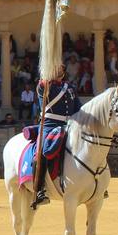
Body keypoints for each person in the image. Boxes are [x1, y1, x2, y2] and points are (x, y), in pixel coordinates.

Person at [30, 64, 80, 209]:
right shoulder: (45, 86)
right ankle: (40, 191)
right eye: (56, 69)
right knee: (41, 153)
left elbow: (78, 109)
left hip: (70, 126)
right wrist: (44, 79)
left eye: (61, 70)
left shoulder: (70, 88)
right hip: (50, 126)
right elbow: (42, 88)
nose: (59, 72)